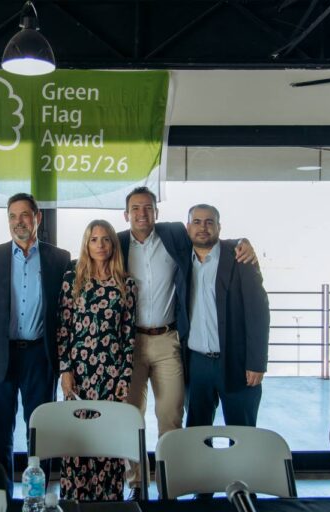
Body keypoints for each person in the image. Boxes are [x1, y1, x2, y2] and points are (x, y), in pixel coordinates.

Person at [118, 186, 256, 499]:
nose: (142, 213)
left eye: (148, 208)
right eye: (135, 208)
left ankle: (170, 481)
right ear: (126, 214)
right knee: (130, 417)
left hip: (168, 341)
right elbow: (90, 257)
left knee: (171, 416)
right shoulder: (117, 242)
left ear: (156, 212)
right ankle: (137, 483)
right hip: (131, 344)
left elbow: (209, 241)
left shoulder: (175, 236)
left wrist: (243, 244)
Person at [0, 192, 71, 493]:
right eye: (12, 216)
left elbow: (64, 314)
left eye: (24, 215)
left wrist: (63, 362)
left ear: (37, 218)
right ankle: (0, 494)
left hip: (41, 356)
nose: (18, 222)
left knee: (40, 430)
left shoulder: (59, 258)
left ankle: (37, 494)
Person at [57, 220, 136, 501]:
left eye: (105, 239)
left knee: (107, 438)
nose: (100, 245)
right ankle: (75, 500)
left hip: (112, 374)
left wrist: (124, 379)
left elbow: (128, 337)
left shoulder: (125, 284)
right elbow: (64, 329)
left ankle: (109, 502)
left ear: (113, 244)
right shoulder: (72, 279)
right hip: (79, 373)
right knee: (78, 437)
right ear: (86, 244)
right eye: (94, 240)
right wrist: (65, 370)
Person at [184, 204, 269, 428]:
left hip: (236, 361)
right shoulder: (182, 260)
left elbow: (258, 312)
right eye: (197, 222)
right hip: (197, 364)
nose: (203, 227)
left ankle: (241, 465)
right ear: (187, 228)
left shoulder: (239, 258)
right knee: (196, 433)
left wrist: (257, 362)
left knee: (242, 431)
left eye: (209, 222)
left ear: (219, 227)